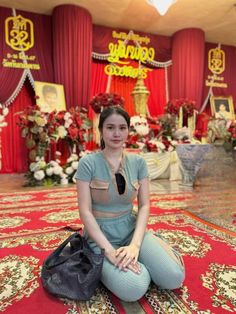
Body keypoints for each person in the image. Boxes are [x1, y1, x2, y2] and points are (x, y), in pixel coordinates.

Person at [75, 106, 185, 302]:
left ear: (128, 130)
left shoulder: (138, 162)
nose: (116, 133)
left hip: (132, 230)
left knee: (174, 277)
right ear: (101, 130)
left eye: (122, 128)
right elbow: (85, 212)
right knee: (135, 288)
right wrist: (108, 251)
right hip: (101, 238)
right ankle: (129, 268)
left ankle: (139, 258)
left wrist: (135, 245)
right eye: (110, 127)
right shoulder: (88, 163)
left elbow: (144, 205)